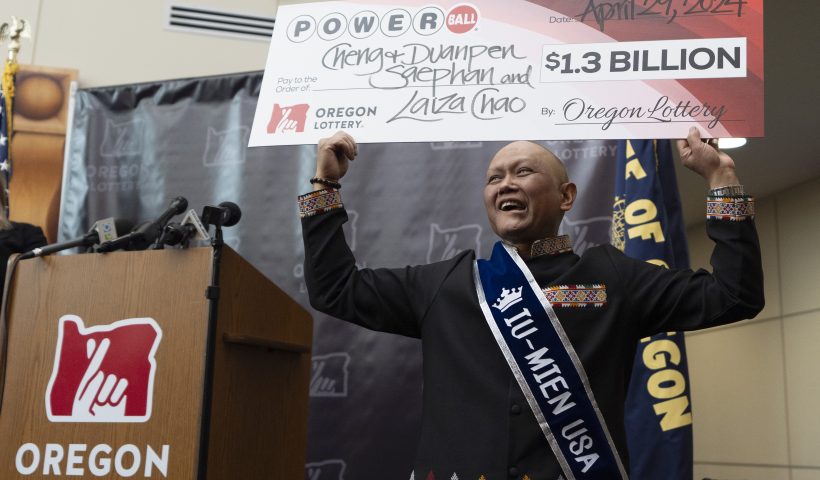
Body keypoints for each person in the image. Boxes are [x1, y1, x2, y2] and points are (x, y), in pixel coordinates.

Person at [298, 128, 763, 480]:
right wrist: (324, 185)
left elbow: (734, 295)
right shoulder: (447, 283)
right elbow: (335, 289)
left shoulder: (612, 278)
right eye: (494, 178)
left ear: (567, 196)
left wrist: (722, 177)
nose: (505, 184)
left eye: (523, 172)